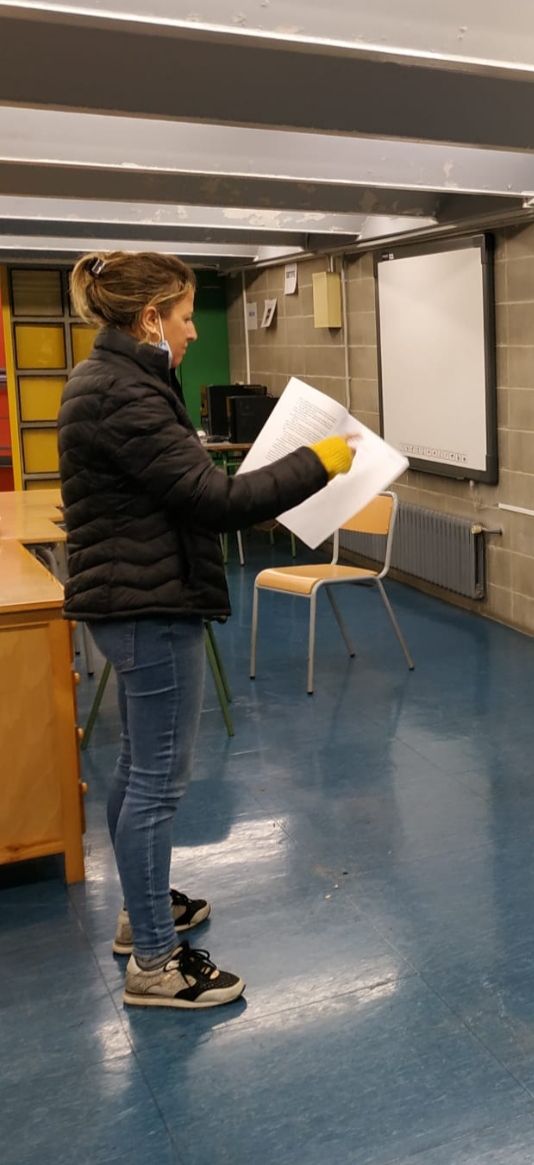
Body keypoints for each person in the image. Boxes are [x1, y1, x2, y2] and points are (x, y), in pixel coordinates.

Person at [59, 250, 357, 1008]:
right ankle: (156, 963)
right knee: (157, 782)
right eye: (187, 317)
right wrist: (316, 463)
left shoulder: (114, 379)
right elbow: (215, 501)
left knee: (138, 770)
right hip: (149, 607)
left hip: (136, 597)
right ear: (149, 318)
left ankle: (142, 912)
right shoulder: (124, 391)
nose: (194, 332)